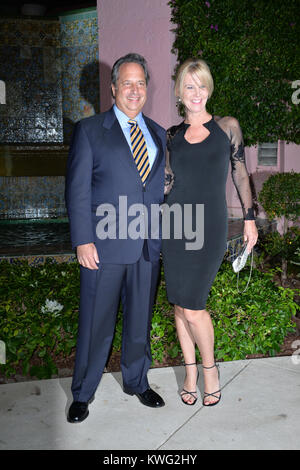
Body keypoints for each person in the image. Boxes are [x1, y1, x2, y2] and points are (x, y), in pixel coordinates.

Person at [65, 53, 166, 423]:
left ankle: (137, 381)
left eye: (141, 83)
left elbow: (153, 191)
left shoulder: (157, 133)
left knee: (139, 321)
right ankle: (83, 393)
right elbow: (76, 190)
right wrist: (82, 240)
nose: (135, 90)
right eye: (128, 82)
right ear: (113, 88)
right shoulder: (90, 130)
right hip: (102, 247)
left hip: (146, 248)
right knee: (96, 323)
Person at [162, 58, 258, 406]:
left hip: (210, 227)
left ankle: (210, 370)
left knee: (194, 307)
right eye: (190, 86)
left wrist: (249, 218)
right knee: (178, 305)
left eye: (202, 85)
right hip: (174, 225)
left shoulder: (227, 127)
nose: (196, 92)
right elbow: (167, 183)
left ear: (209, 89)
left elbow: (240, 172)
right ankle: (190, 373)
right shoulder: (171, 136)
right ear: (180, 92)